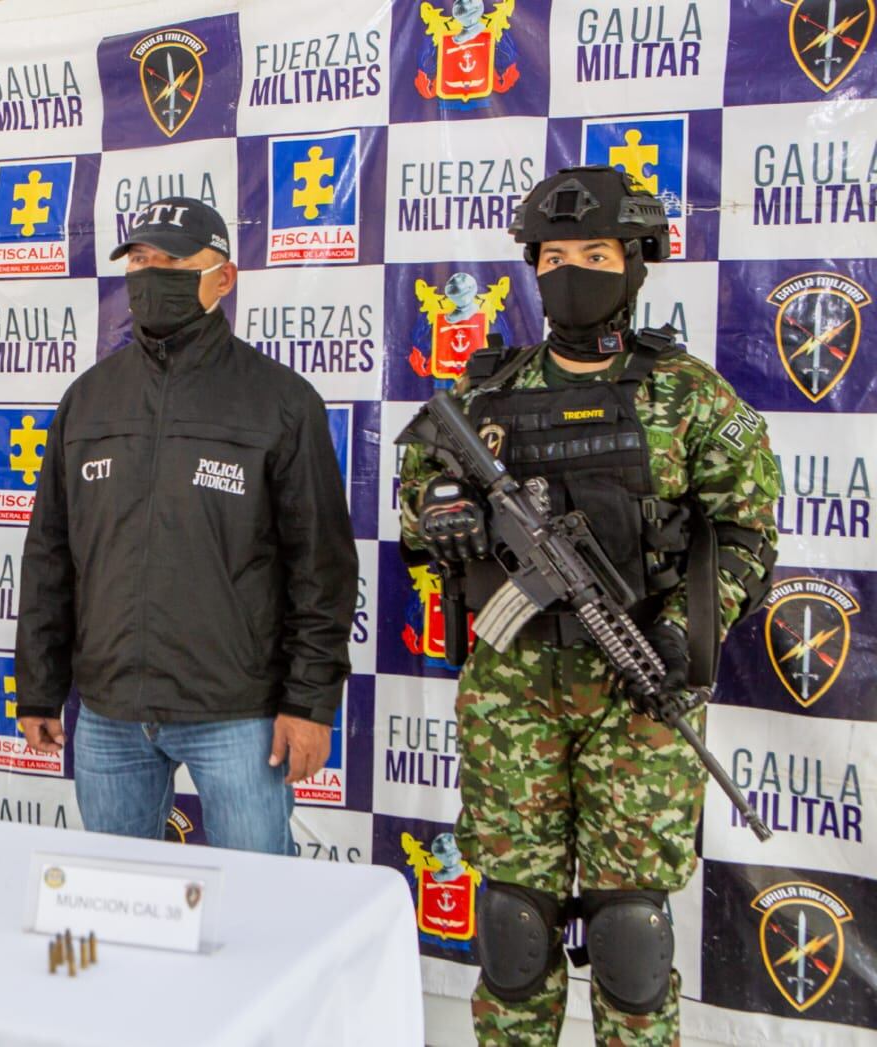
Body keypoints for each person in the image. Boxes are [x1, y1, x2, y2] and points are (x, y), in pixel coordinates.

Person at [397, 165, 780, 1046]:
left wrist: (685, 628)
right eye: (556, 254)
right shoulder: (486, 396)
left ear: (635, 262)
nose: (573, 271)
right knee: (515, 928)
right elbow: (421, 497)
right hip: (511, 697)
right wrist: (442, 507)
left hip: (641, 697)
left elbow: (748, 533)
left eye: (597, 253)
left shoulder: (689, 396)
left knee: (628, 934)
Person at [14, 197, 358, 855]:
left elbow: (323, 570)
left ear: (223, 277)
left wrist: (310, 704)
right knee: (115, 901)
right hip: (110, 711)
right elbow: (49, 554)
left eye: (171, 260)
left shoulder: (281, 402)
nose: (151, 273)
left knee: (262, 901)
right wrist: (39, 686)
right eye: (140, 260)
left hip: (238, 713)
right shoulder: (88, 400)